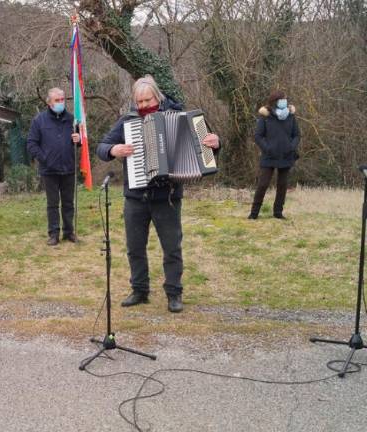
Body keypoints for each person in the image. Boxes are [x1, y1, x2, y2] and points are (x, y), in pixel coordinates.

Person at [96, 75, 220, 313]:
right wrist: (114, 149)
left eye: (147, 100)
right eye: (139, 101)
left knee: (172, 247)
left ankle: (174, 293)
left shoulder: (180, 116)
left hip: (168, 197)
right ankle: (140, 291)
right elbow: (101, 148)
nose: (143, 106)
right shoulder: (127, 121)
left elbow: (207, 146)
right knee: (135, 247)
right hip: (136, 197)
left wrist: (216, 143)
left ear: (157, 96)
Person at [27, 87, 82, 246]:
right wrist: (44, 159)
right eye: (57, 100)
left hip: (68, 168)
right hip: (49, 170)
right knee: (52, 203)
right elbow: (31, 144)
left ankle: (69, 232)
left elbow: (79, 143)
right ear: (49, 102)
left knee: (68, 203)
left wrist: (78, 139)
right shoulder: (39, 121)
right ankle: (53, 233)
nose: (60, 103)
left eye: (62, 100)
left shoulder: (72, 120)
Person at [249, 91, 300, 220]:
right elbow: (258, 136)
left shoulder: (290, 116)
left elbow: (297, 135)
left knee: (282, 185)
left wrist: (291, 147)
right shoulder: (265, 116)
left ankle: (278, 213)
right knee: (263, 184)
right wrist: (267, 148)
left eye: (286, 98)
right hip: (269, 156)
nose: (285, 100)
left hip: (286, 155)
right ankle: (254, 213)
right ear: (275, 101)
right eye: (282, 99)